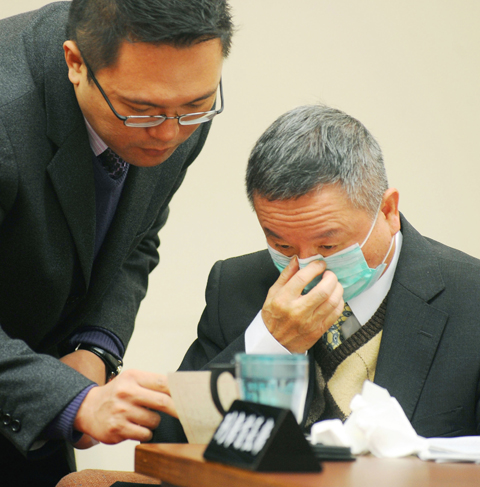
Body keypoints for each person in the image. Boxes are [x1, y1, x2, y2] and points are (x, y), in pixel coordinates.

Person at [0, 0, 233, 484]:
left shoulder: (175, 103)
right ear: (75, 62)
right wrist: (74, 399)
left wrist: (94, 347)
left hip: (30, 413)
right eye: (142, 110)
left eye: (195, 106)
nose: (169, 134)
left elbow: (134, 240)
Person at [154, 104, 480, 443]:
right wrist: (270, 345)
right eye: (282, 245)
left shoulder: (471, 297)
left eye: (328, 245)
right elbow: (171, 442)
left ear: (388, 211)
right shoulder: (237, 286)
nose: (308, 267)